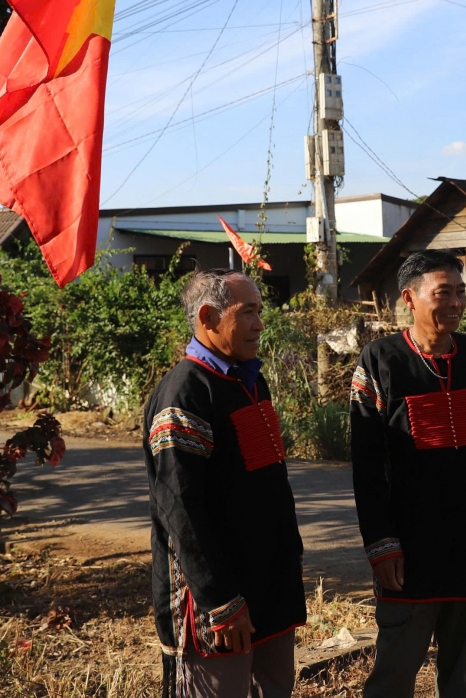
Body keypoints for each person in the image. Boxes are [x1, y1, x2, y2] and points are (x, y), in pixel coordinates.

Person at [350, 249, 466, 698]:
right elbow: (367, 467)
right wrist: (381, 545)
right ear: (410, 298)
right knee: (394, 672)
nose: (455, 302)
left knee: (462, 675)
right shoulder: (380, 361)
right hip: (409, 554)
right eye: (443, 292)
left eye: (460, 292)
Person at [144, 269, 306, 698]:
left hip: (269, 587)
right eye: (247, 312)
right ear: (208, 317)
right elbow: (181, 510)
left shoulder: (249, 381)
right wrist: (221, 601)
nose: (259, 323)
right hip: (218, 601)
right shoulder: (185, 392)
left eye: (259, 311)